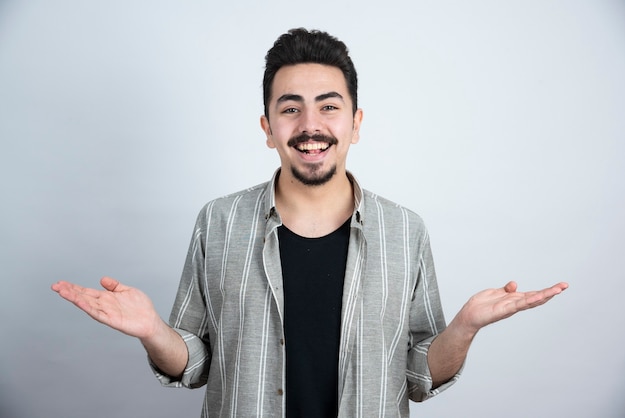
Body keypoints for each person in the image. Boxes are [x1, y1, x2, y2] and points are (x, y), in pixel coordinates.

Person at [52, 28, 568, 417]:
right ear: (268, 127)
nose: (310, 126)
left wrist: (464, 327)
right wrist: (152, 331)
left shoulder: (404, 231)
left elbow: (417, 376)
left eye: (328, 106)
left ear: (355, 124)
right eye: (290, 109)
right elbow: (195, 364)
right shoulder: (219, 222)